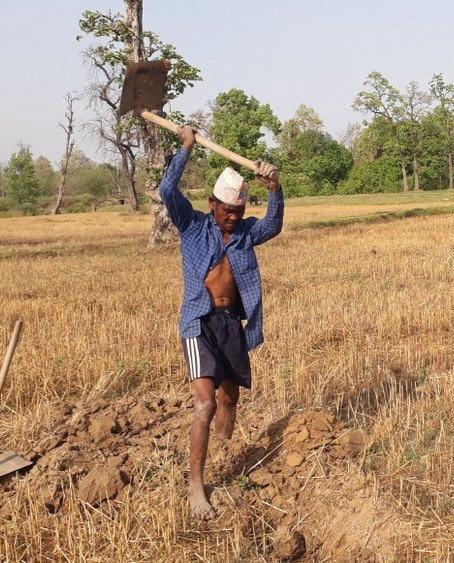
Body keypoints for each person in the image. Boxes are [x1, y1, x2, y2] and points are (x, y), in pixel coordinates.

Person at [160, 124, 284, 520]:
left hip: (232, 324)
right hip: (198, 322)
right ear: (212, 204)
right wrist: (186, 148)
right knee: (206, 402)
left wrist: (274, 188)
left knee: (230, 398)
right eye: (227, 210)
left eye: (238, 211)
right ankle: (197, 487)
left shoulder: (247, 233)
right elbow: (167, 192)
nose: (232, 217)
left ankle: (226, 450)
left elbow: (274, 224)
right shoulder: (192, 225)